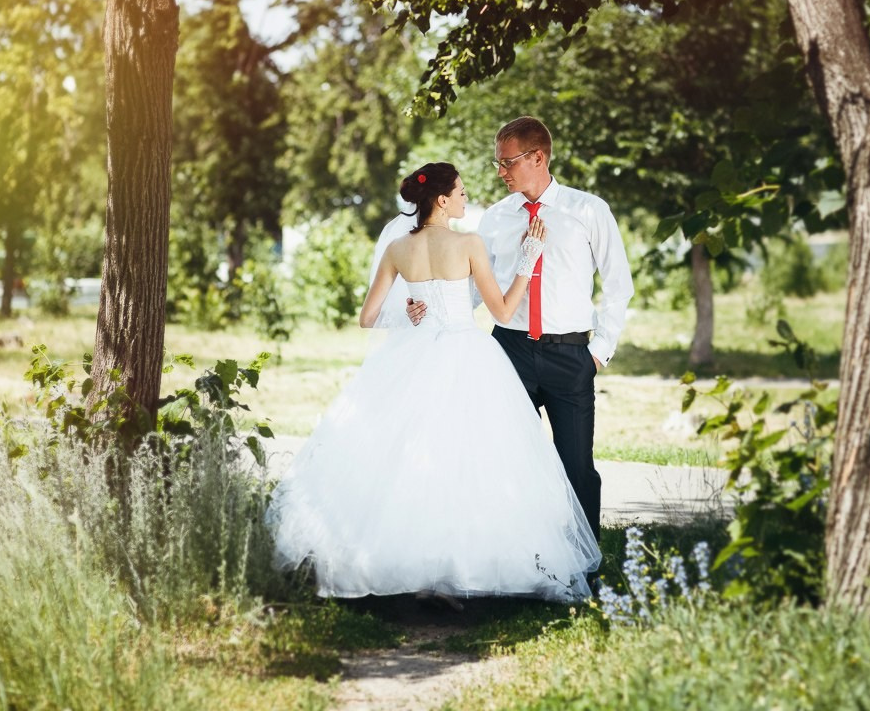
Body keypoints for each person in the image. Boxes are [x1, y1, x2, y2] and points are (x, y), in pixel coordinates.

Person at [267, 162, 601, 604]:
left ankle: (416, 570)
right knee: (469, 458)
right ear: (441, 200)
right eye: (461, 192)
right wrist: (528, 260)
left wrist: (407, 310)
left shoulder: (398, 249)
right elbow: (502, 313)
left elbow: (367, 318)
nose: (466, 198)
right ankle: (462, 566)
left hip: (414, 355)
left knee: (409, 458)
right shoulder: (468, 243)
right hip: (467, 355)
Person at [408, 117, 634, 548]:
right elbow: (474, 287)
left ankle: (583, 566)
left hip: (571, 356)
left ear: (538, 158)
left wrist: (599, 352)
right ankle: (512, 556)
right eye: (498, 163)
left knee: (576, 467)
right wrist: (429, 303)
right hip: (507, 352)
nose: (500, 172)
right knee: (505, 459)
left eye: (508, 162)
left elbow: (618, 285)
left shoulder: (588, 211)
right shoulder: (495, 219)